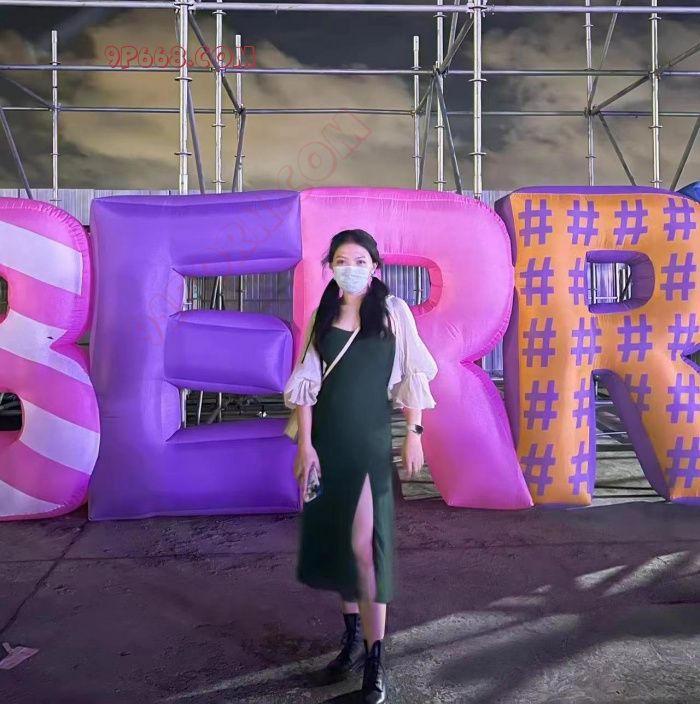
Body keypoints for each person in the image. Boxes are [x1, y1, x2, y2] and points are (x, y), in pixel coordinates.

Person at [283, 229, 438, 704]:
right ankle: (351, 641)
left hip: (369, 443)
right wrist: (306, 448)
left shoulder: (393, 313)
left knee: (364, 547)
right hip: (326, 444)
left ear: (375, 266)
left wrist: (414, 434)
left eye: (359, 260)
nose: (350, 268)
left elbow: (412, 373)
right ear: (330, 266)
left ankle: (375, 658)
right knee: (339, 545)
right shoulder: (322, 314)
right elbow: (307, 384)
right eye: (341, 260)